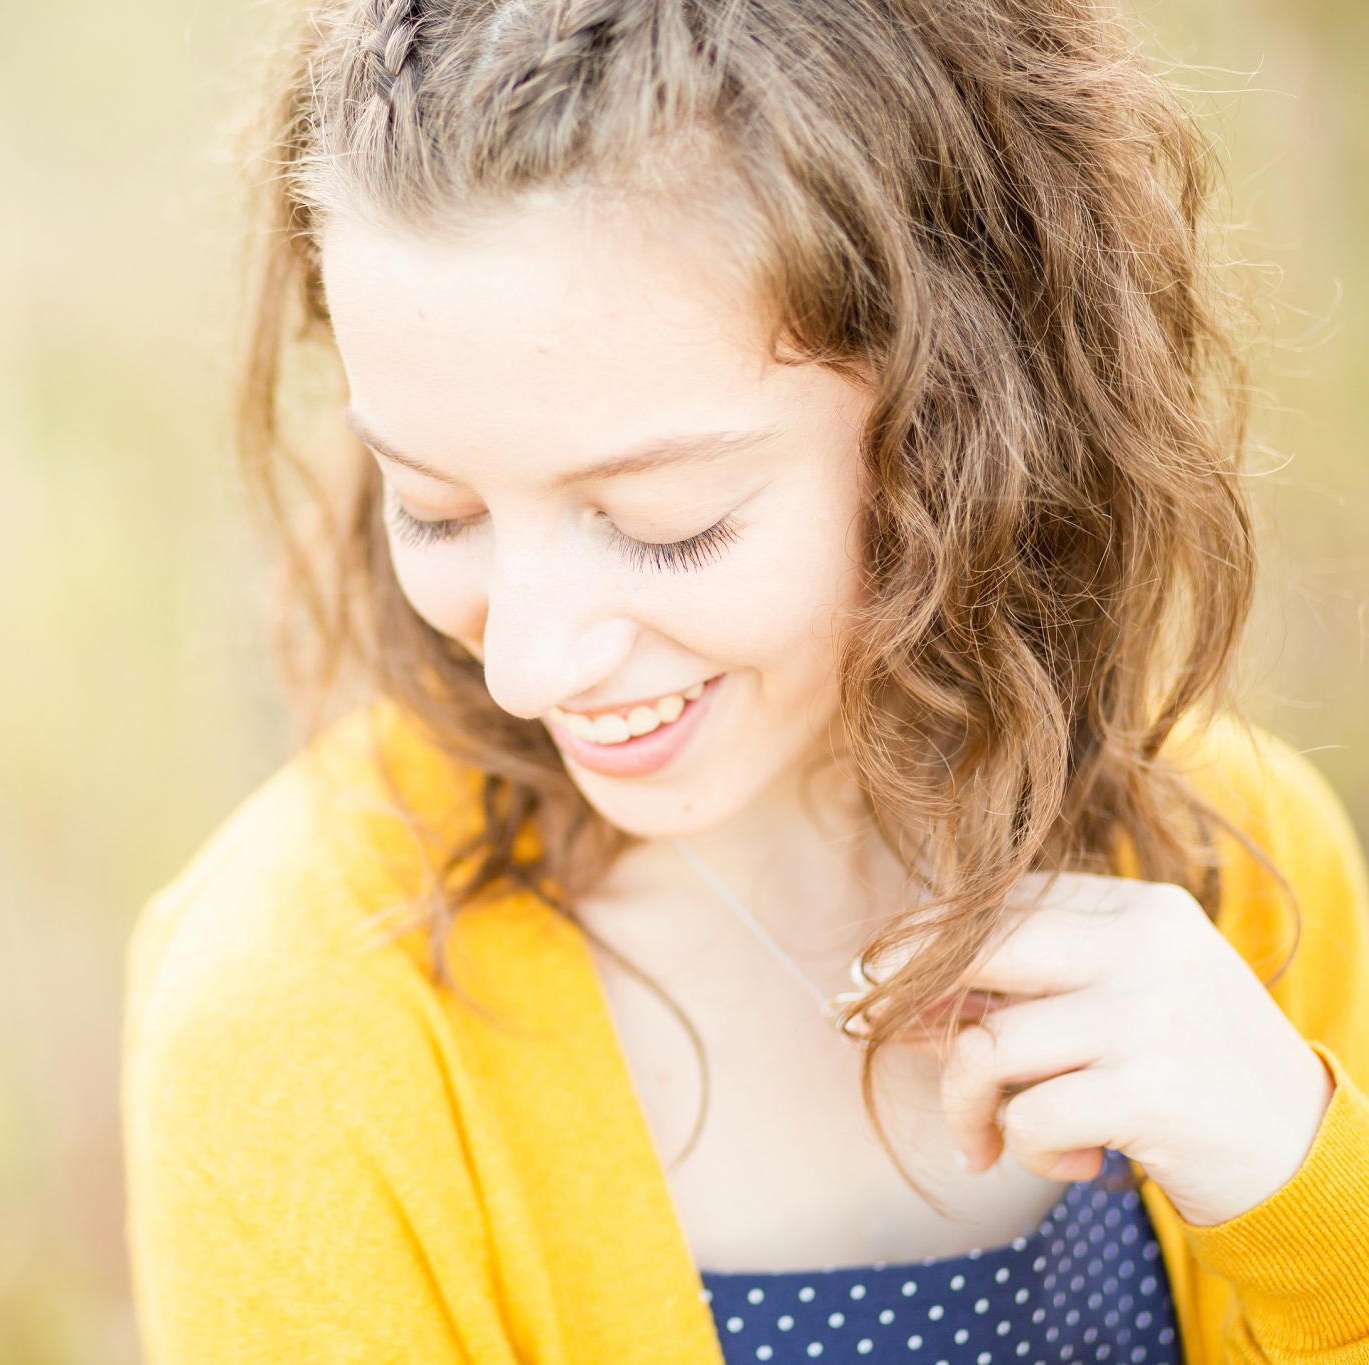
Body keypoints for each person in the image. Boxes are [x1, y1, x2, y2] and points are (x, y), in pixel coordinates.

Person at [123, 1, 1369, 1361]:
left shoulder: (1234, 862)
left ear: (958, 418)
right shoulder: (297, 1020)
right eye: (434, 505)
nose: (531, 659)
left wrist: (1307, 1188)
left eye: (665, 520)